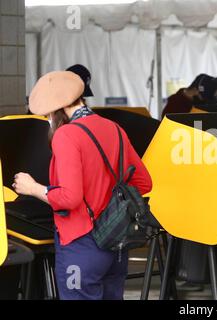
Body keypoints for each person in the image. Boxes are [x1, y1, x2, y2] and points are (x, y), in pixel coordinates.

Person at [12, 71, 152, 300]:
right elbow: (144, 182)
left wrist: (33, 188)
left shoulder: (66, 135)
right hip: (117, 243)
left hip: (82, 244)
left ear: (56, 109)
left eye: (47, 113)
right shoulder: (113, 128)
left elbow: (70, 197)